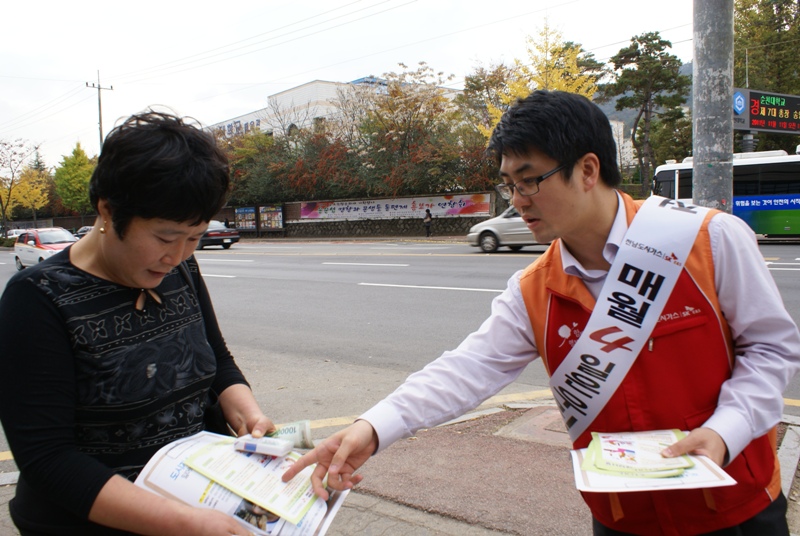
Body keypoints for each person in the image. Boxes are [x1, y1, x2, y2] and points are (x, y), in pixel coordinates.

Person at [283, 90, 800, 535]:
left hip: (737, 506)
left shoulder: (707, 239)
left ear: (588, 170)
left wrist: (727, 429)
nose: (517, 200)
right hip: (624, 517)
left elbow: (773, 349)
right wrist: (372, 428)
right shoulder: (533, 289)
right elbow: (468, 369)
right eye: (509, 184)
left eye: (529, 180)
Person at [0, 110, 273, 536]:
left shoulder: (180, 268)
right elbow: (48, 459)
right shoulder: (38, 298)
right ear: (107, 211)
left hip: (197, 497)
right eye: (165, 238)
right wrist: (184, 522)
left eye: (194, 237)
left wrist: (248, 414)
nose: (178, 255)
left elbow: (217, 361)